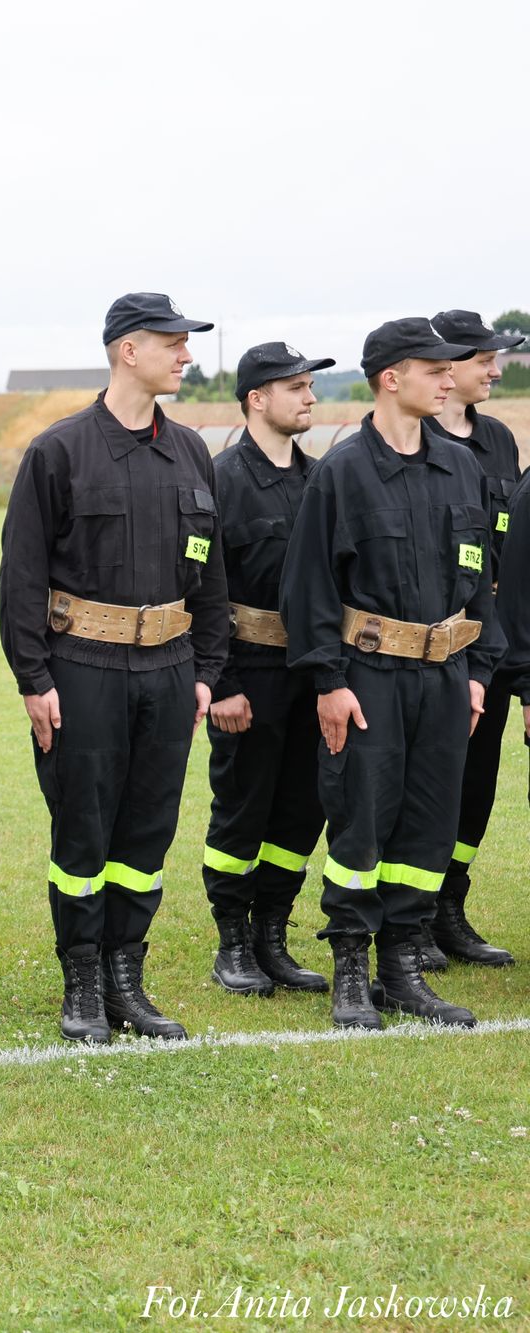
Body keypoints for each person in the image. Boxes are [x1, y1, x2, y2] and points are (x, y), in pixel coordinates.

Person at [0, 293, 229, 1044]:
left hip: (169, 668)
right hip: (82, 667)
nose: (186, 355)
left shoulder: (191, 451)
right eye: (174, 343)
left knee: (148, 827)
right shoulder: (58, 451)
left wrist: (205, 670)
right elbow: (22, 578)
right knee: (84, 827)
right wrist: (35, 680)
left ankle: (126, 975)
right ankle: (83, 980)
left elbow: (213, 574)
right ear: (129, 350)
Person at [280, 317, 497, 1030]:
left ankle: (404, 967)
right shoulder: (342, 472)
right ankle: (351, 968)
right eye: (433, 368)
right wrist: (328, 681)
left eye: (449, 368)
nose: (448, 378)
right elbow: (308, 586)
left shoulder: (461, 467)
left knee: (429, 825)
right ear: (389, 378)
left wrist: (476, 671)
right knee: (361, 823)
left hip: (445, 676)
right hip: (366, 675)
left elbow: (480, 581)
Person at [198, 343, 336, 997]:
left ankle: (272, 935)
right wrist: (219, 683)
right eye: (296, 387)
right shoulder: (221, 480)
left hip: (311, 672)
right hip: (246, 670)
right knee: (242, 809)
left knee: (301, 809)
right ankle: (233, 942)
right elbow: (198, 588)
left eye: (310, 386)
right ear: (257, 398)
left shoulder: (319, 480)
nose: (309, 397)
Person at [422, 310, 525, 968]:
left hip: (492, 637)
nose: (496, 369)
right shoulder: (409, 438)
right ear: (448, 366)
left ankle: (449, 907)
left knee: (478, 782)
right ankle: (408, 913)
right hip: (429, 641)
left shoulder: (499, 439)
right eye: (484, 359)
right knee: (427, 779)